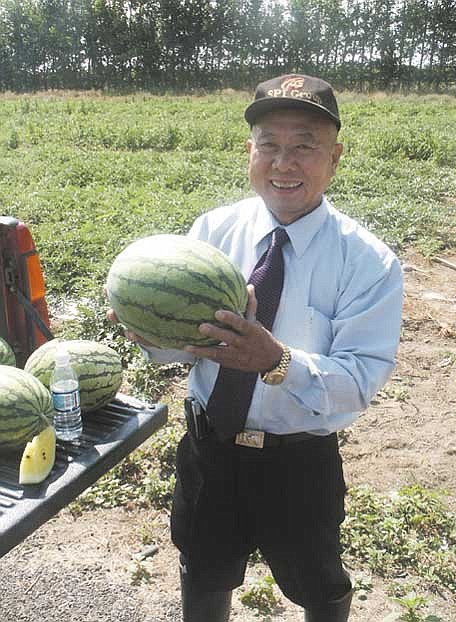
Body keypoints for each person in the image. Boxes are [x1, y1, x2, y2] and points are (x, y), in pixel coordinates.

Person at [108, 74, 404, 622]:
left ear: (334, 157)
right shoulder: (213, 231)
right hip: (210, 448)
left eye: (304, 146)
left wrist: (277, 361)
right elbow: (187, 346)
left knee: (319, 584)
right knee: (203, 571)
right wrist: (153, 339)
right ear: (250, 151)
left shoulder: (370, 262)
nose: (283, 163)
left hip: (298, 463)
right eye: (269, 145)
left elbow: (359, 382)